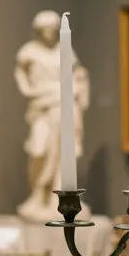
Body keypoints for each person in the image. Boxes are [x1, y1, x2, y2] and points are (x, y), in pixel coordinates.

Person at [14, 11, 89, 221]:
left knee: (65, 150)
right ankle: (38, 193)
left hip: (64, 103)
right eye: (46, 29)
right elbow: (20, 74)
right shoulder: (28, 51)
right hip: (42, 105)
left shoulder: (65, 51)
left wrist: (78, 86)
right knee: (40, 149)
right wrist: (29, 90)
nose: (50, 33)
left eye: (53, 29)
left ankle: (59, 195)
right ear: (38, 30)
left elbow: (78, 74)